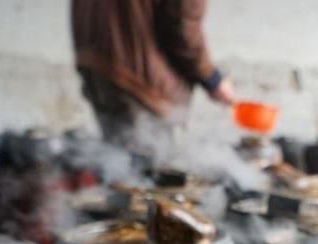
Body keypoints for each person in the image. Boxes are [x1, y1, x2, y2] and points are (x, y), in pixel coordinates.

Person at [72, 0, 235, 148]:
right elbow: (183, 29)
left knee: (121, 164)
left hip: (95, 62)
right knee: (147, 170)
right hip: (139, 80)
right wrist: (212, 79)